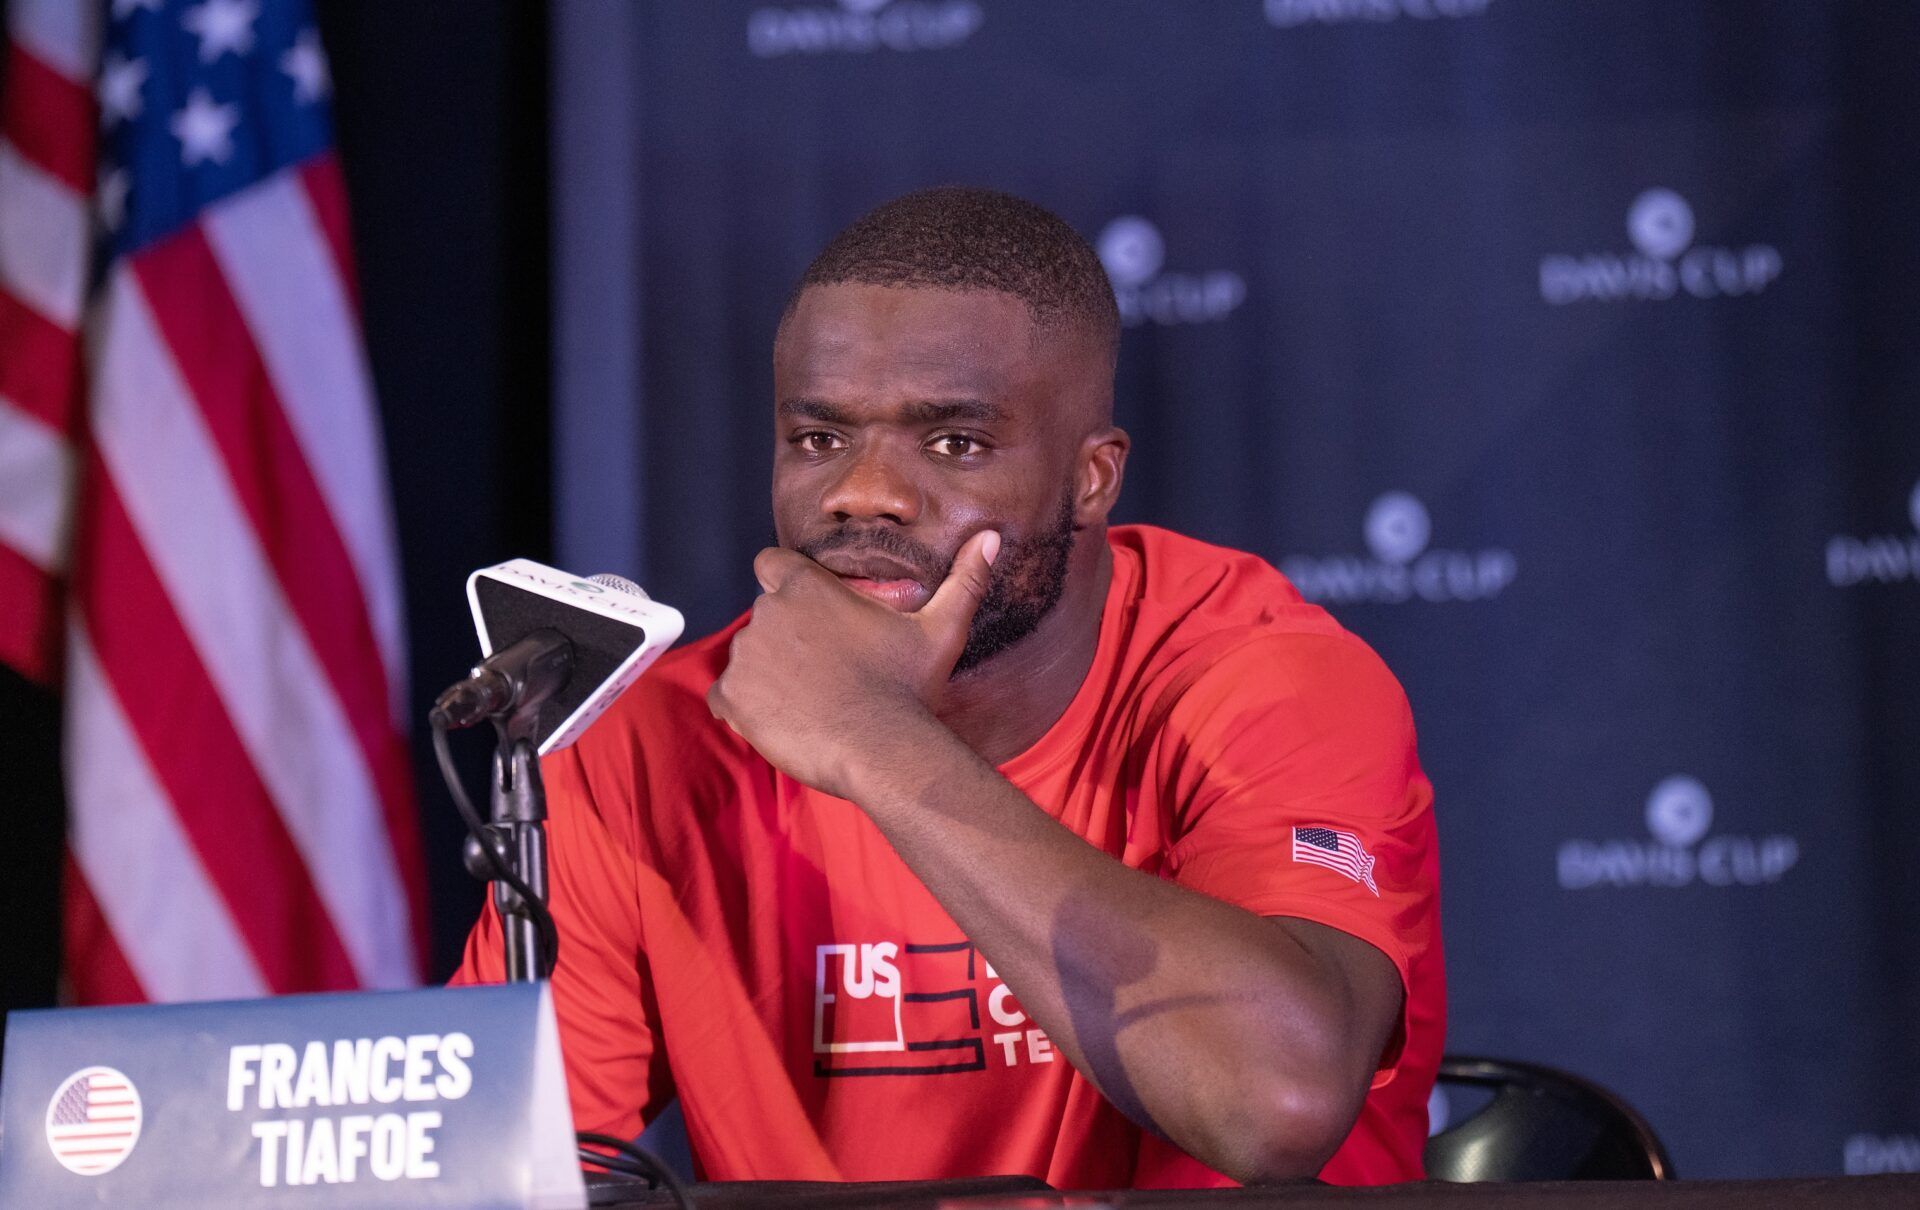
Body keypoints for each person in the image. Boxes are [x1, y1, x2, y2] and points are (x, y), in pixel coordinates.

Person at [455, 186, 1442, 1189]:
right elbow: (498, 1174)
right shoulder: (649, 742)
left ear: (1092, 479)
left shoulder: (1264, 682)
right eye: (820, 438)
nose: (863, 492)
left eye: (953, 442)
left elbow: (1279, 1102)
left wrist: (875, 740)